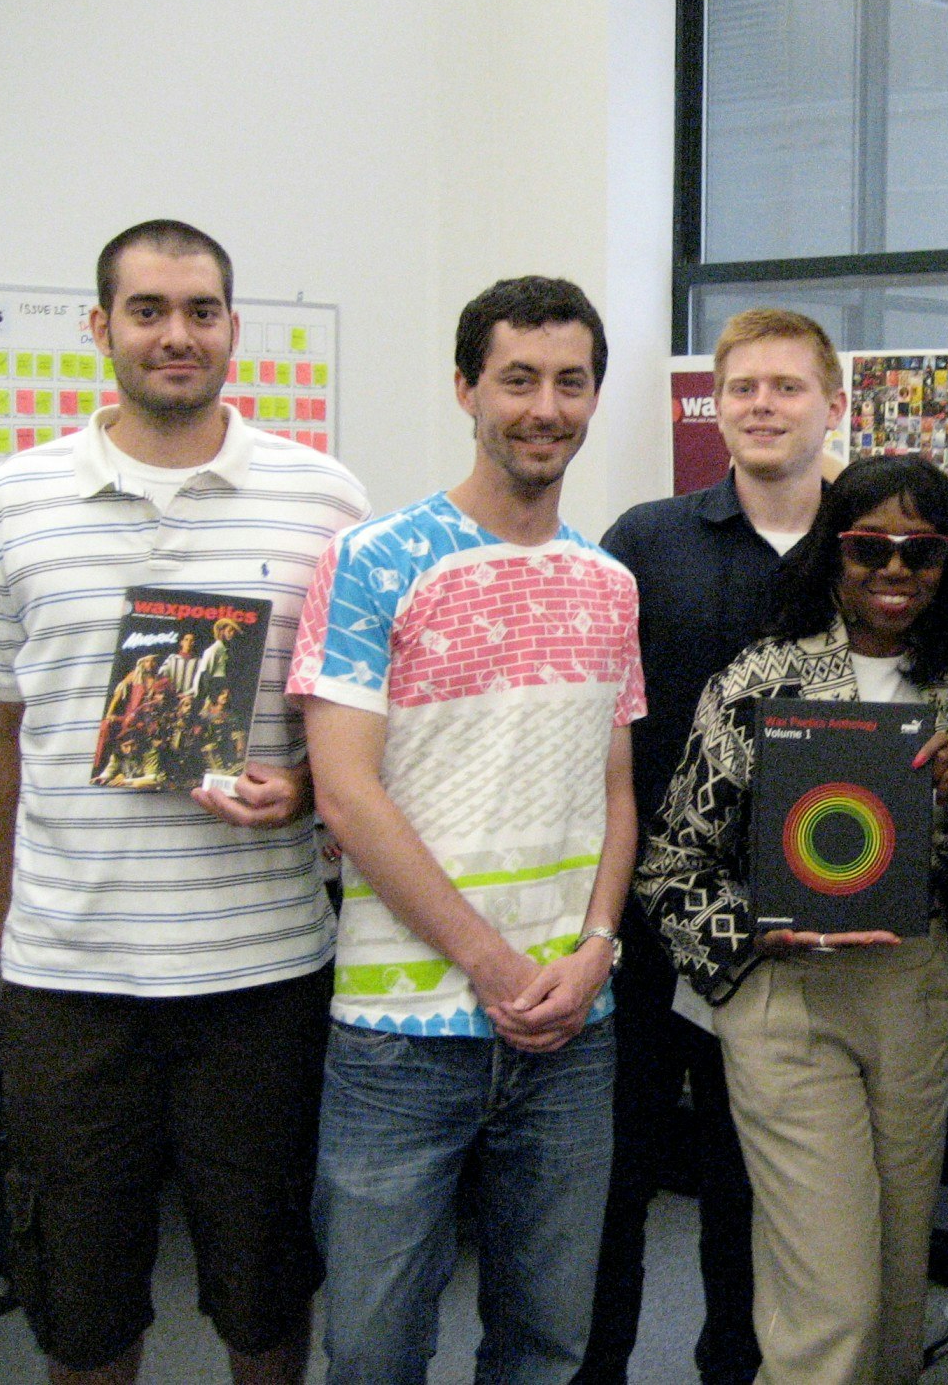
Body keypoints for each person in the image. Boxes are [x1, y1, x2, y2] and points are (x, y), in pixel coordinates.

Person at [0, 218, 368, 1385]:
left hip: (262, 968)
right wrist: (9, 912)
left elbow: (350, 719)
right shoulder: (12, 500)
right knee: (81, 1301)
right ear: (102, 326)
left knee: (266, 1286)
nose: (176, 334)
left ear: (234, 327)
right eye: (148, 310)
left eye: (200, 310)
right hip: (72, 978)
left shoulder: (323, 497)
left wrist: (306, 789)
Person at [287, 276, 641, 1385]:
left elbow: (616, 791)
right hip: (399, 1035)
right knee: (374, 1349)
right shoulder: (373, 560)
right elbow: (347, 795)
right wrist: (492, 964)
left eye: (570, 382)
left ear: (594, 396)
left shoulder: (609, 582)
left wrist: (596, 948)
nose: (545, 408)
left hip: (572, 1026)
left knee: (546, 1345)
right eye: (517, 379)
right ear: (465, 389)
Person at [636, 454, 948, 1385]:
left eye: (920, 552)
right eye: (867, 548)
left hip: (912, 996)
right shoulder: (758, 682)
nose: (894, 571)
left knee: (895, 1289)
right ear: (831, 555)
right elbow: (670, 864)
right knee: (831, 1304)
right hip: (785, 995)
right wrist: (748, 932)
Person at [584, 307, 846, 1385]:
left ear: (833, 405)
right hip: (651, 921)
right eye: (743, 387)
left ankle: (735, 1369)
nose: (762, 406)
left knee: (759, 1192)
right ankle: (594, 1367)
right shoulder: (646, 541)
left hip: (801, 927)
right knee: (616, 1174)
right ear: (716, 403)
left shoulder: (871, 545)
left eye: (787, 387)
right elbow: (594, 716)